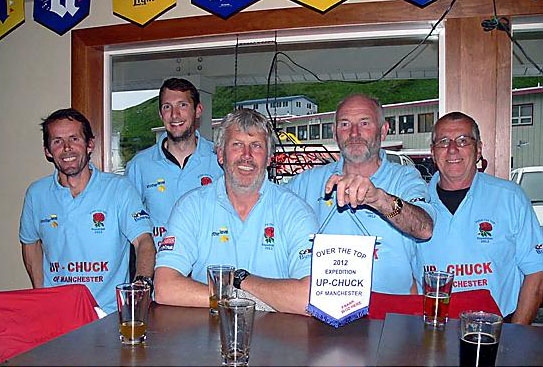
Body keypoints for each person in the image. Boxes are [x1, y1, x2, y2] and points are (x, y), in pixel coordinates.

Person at [154, 108, 318, 315]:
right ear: (221, 155)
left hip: (278, 342)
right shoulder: (191, 207)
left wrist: (242, 279)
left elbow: (310, 299)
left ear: (269, 158)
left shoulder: (295, 211)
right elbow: (164, 287)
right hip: (206, 340)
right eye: (237, 145)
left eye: (256, 146)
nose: (246, 156)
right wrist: (237, 296)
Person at [287, 94, 435, 294]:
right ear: (334, 133)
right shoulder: (308, 181)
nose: (354, 133)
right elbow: (266, 200)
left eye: (364, 123)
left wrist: (378, 199)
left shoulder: (404, 177)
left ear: (383, 131)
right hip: (324, 311)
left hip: (390, 314)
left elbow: (424, 228)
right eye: (345, 124)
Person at [19, 108, 156, 314]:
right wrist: (41, 295)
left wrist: (141, 285)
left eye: (74, 138)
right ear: (47, 151)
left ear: (89, 144)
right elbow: (30, 243)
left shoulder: (119, 189)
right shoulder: (36, 194)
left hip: (108, 314)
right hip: (57, 314)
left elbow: (144, 242)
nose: (67, 148)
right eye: (57, 141)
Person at [415, 111, 543, 325]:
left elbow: (537, 273)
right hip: (432, 331)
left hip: (497, 333)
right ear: (433, 153)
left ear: (479, 150)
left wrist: (514, 335)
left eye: (463, 140)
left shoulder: (509, 197)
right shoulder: (415, 205)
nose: (452, 149)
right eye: (443, 142)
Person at [125, 78, 223, 249]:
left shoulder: (219, 160)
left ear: (198, 110)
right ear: (160, 114)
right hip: (159, 269)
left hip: (206, 269)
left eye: (182, 105)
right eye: (167, 107)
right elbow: (128, 223)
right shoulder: (139, 166)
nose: (174, 114)